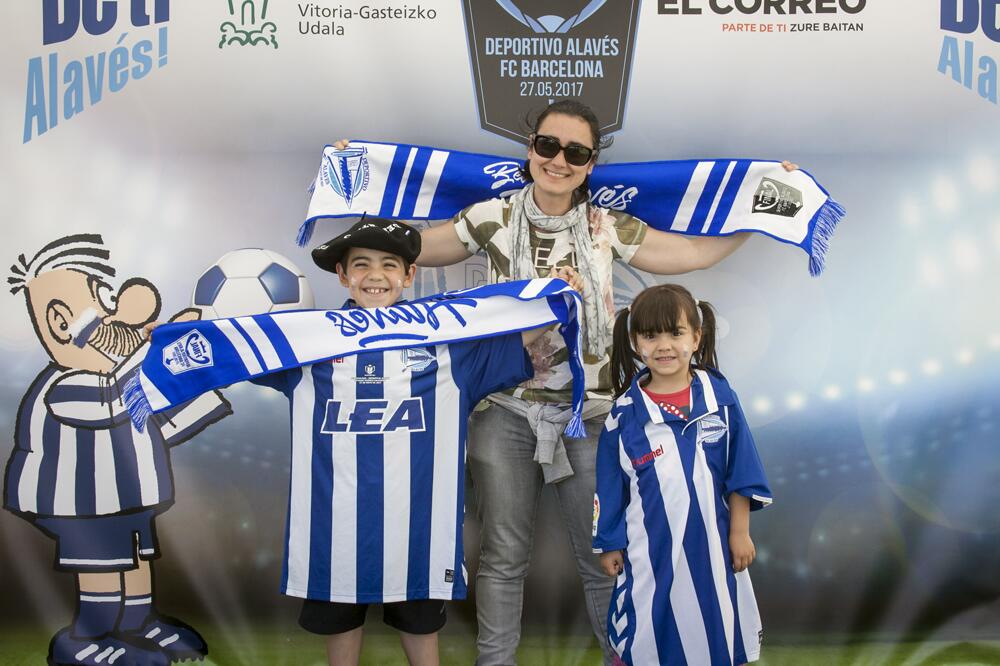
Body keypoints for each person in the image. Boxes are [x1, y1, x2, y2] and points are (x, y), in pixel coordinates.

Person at [335, 100, 794, 664]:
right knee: (503, 558)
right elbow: (405, 247)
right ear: (531, 149)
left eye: (576, 152)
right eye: (548, 145)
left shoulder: (608, 226)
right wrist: (352, 185)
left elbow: (694, 253)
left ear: (591, 163)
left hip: (591, 414)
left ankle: (620, 658)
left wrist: (765, 208)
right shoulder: (493, 216)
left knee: (605, 555)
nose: (559, 160)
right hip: (504, 409)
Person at [247, 217, 573, 666]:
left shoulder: (445, 349)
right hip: (333, 529)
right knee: (340, 626)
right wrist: (172, 341)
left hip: (419, 531)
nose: (375, 276)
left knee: (421, 629)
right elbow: (234, 354)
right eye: (361, 264)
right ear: (342, 275)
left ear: (409, 275)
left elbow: (511, 341)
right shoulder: (308, 347)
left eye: (389, 265)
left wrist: (557, 298)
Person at [4, 234, 231, 666]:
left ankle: (137, 625)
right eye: (107, 302)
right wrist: (158, 352)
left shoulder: (114, 376)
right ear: (61, 321)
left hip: (126, 498)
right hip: (83, 504)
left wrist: (191, 369)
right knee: (103, 563)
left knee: (135, 557)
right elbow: (117, 402)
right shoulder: (66, 384)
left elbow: (157, 416)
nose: (123, 317)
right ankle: (88, 639)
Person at [593, 284, 772, 666]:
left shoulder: (719, 398)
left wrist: (739, 531)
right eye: (650, 335)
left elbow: (741, 468)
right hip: (650, 551)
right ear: (635, 342)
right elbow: (609, 488)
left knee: (717, 627)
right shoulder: (623, 416)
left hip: (712, 547)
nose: (664, 346)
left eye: (675, 333)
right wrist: (609, 542)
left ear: (696, 337)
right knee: (647, 634)